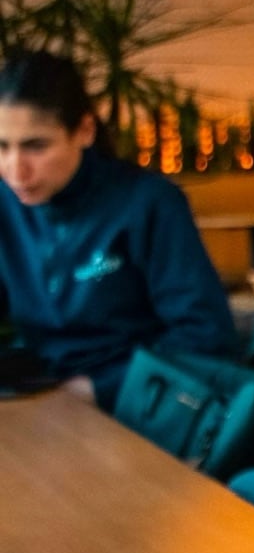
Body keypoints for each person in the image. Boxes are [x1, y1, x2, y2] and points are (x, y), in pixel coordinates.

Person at [0, 52, 236, 408]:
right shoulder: (5, 204)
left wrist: (96, 389)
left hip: (137, 402)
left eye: (36, 146)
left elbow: (205, 335)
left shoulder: (149, 203)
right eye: (2, 147)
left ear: (85, 131)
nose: (16, 170)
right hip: (39, 398)